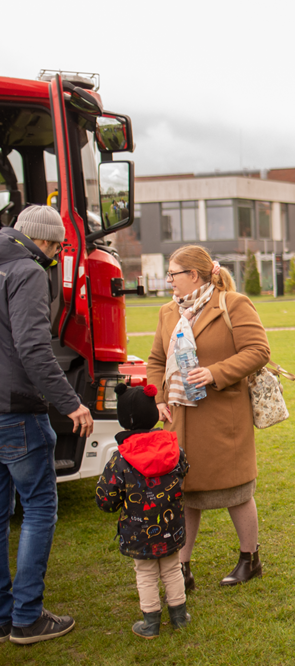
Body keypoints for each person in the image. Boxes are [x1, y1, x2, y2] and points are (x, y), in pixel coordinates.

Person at [146, 246, 270, 589]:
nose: (169, 280)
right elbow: (156, 360)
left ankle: (250, 559)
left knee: (237, 491)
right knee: (185, 492)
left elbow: (259, 351)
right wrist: (156, 397)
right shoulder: (168, 312)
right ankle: (182, 568)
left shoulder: (233, 303)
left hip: (222, 417)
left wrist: (215, 372)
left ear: (194, 275)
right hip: (179, 419)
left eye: (173, 274)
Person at [1, 205, 92, 645]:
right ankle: (27, 618)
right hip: (17, 412)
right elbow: (34, 347)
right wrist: (71, 403)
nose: (55, 255)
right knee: (39, 508)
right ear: (46, 241)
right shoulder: (29, 271)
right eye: (56, 246)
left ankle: (4, 615)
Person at [95, 383, 191, 639]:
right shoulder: (173, 448)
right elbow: (185, 468)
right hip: (171, 528)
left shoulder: (121, 458)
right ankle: (179, 616)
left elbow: (106, 496)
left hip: (139, 531)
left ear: (123, 420)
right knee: (172, 568)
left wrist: (112, 503)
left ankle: (150, 622)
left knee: (146, 573)